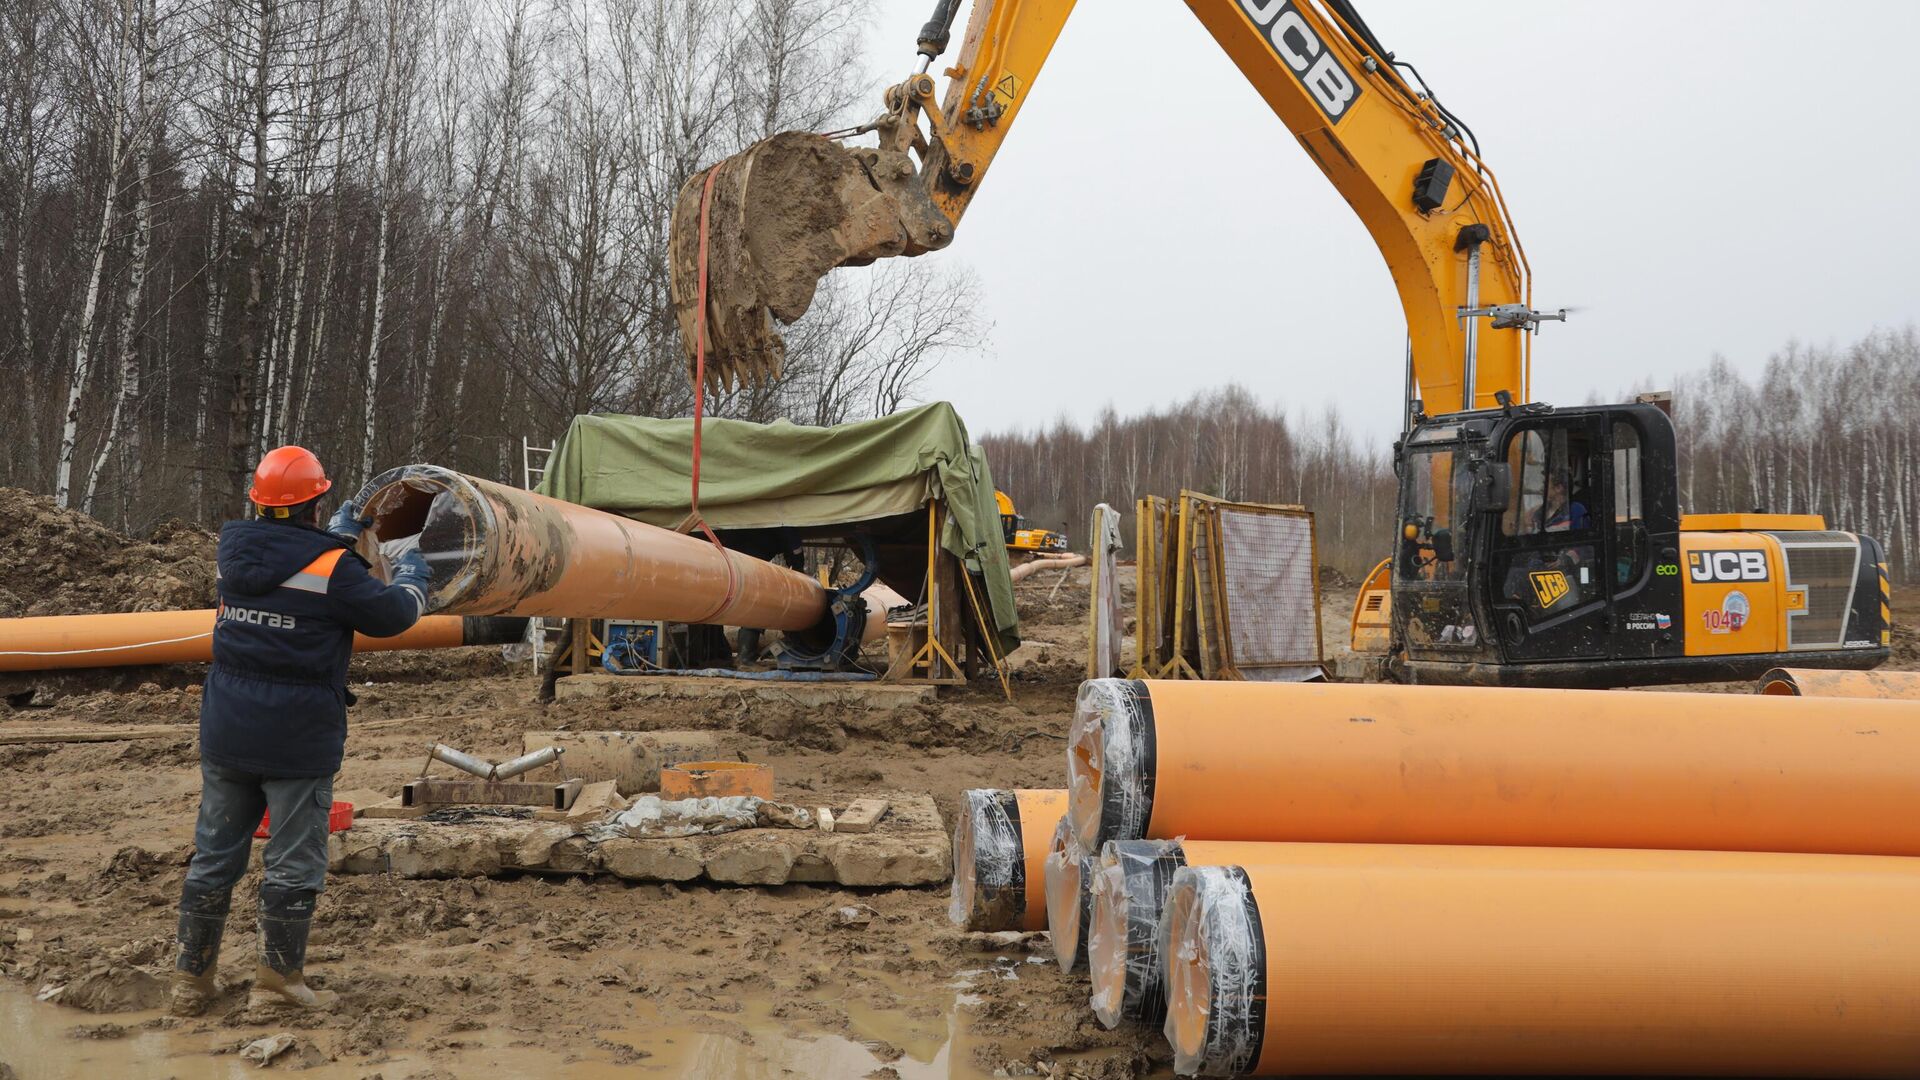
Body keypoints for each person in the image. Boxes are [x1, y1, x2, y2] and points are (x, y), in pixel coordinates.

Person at [169, 446, 431, 1016]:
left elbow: (293, 564)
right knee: (291, 864)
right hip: (296, 738)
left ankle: (191, 984)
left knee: (214, 856)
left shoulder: (232, 554)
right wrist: (413, 574)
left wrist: (338, 539)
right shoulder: (332, 570)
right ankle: (277, 987)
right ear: (316, 503)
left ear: (259, 503)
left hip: (227, 731)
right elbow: (390, 616)